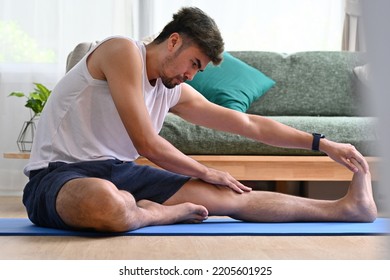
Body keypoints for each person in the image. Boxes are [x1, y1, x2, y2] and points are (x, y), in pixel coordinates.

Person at [23, 7, 377, 233]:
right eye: (194, 63)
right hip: (59, 174)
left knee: (231, 198)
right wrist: (204, 170)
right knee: (108, 202)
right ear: (173, 41)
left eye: (200, 69)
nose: (193, 75)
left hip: (120, 172)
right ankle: (158, 214)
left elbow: (249, 125)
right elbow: (147, 142)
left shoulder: (172, 89)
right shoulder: (121, 50)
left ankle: (345, 209)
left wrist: (321, 142)